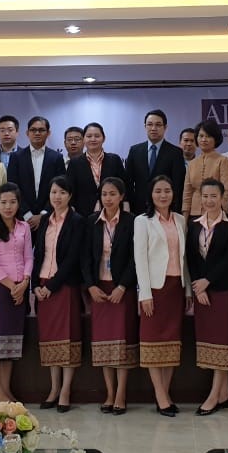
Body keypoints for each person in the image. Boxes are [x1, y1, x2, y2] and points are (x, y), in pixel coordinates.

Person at [134, 175, 189, 415]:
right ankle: (160, 395)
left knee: (171, 344)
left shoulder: (180, 220)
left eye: (167, 190)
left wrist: (188, 289)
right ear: (151, 194)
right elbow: (140, 259)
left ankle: (165, 394)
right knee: (153, 343)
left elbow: (185, 258)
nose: (163, 195)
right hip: (155, 289)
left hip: (176, 288)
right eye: (158, 191)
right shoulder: (142, 221)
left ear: (173, 193)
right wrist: (144, 293)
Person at [84, 177, 137, 415]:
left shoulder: (132, 221)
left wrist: (123, 286)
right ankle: (109, 393)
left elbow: (135, 258)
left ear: (121, 196)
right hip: (100, 290)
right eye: (104, 194)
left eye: (113, 194)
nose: (108, 198)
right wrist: (91, 286)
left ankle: (121, 394)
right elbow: (85, 257)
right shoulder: (92, 221)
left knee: (122, 343)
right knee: (104, 343)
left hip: (121, 290)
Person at [34, 177, 85, 411]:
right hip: (43, 284)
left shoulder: (77, 221)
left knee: (68, 338)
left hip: (64, 286)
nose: (57, 196)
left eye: (62, 192)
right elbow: (38, 254)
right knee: (50, 339)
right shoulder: (45, 220)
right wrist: (36, 284)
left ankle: (66, 390)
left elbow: (74, 258)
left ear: (70, 196)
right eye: (54, 192)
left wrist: (51, 286)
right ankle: (54, 388)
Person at [188, 179, 228, 415]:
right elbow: (191, 258)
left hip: (224, 291)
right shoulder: (194, 225)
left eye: (213, 196)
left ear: (222, 197)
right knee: (210, 342)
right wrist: (199, 288)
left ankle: (214, 395)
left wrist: (208, 281)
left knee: (223, 342)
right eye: (205, 196)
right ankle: (224, 393)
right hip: (202, 294)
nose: (209, 201)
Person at [0, 183, 31, 403]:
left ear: (18, 204)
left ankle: (6, 390)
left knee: (10, 343)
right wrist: (13, 287)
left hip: (20, 289)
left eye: (12, 202)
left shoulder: (24, 227)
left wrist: (25, 281)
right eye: (3, 202)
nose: (8, 206)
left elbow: (29, 257)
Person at [9, 116, 65, 230]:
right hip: (22, 218)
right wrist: (27, 215)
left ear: (48, 133)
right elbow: (13, 187)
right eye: (33, 130)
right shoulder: (16, 157)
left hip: (50, 217)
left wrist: (43, 215)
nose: (37, 133)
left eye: (41, 130)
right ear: (27, 133)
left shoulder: (57, 157)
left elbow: (61, 188)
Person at [125, 110, 187, 214]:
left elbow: (178, 185)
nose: (153, 128)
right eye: (150, 124)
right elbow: (128, 182)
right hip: (139, 209)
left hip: (165, 208)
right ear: (145, 127)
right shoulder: (134, 150)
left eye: (158, 125)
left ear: (165, 127)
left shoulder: (175, 153)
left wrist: (174, 209)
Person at [68, 122, 126, 216]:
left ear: (104, 138)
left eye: (97, 136)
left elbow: (124, 185)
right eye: (89, 136)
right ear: (84, 139)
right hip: (83, 213)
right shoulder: (75, 163)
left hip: (112, 211)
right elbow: (70, 190)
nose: (93, 139)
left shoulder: (114, 160)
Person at [182, 119, 228, 217]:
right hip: (194, 214)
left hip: (216, 214)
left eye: (208, 136)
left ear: (215, 139)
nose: (204, 139)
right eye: (201, 136)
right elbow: (187, 193)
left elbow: (226, 191)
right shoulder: (192, 163)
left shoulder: (223, 161)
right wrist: (185, 219)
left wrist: (221, 212)